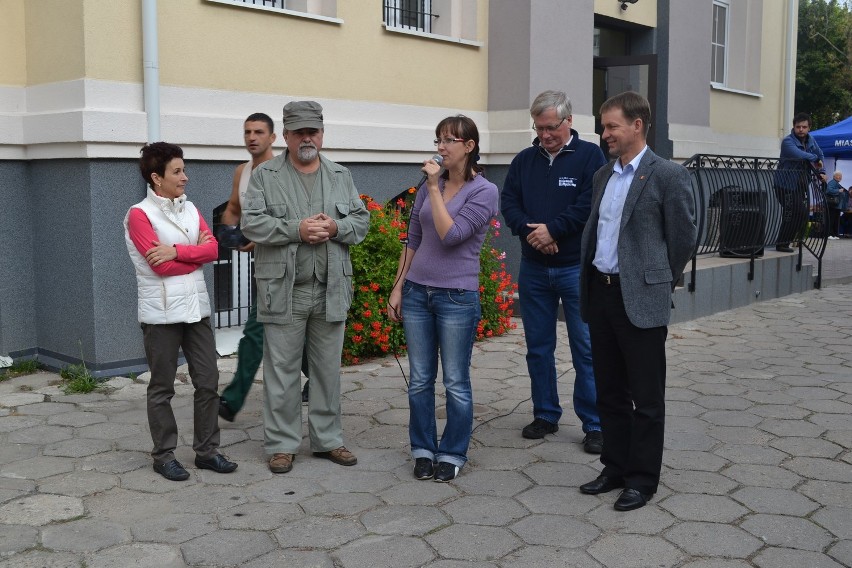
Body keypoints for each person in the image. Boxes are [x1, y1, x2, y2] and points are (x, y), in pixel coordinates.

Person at [578, 91, 696, 511]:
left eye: (611, 126)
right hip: (602, 293)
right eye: (603, 125)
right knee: (609, 391)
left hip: (640, 299)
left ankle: (642, 480)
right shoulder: (602, 176)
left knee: (645, 397)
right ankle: (615, 466)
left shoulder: (666, 175)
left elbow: (683, 238)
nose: (604, 133)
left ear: (637, 126)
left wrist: (659, 279)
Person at [241, 101, 370, 474]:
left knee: (327, 370)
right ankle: (282, 444)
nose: (307, 138)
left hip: (330, 286)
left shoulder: (340, 175)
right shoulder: (266, 175)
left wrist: (336, 228)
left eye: (313, 130)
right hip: (284, 289)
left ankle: (328, 440)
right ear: (286, 136)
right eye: (299, 132)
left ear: (322, 134)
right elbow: (252, 224)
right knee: (281, 371)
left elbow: (360, 222)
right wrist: (296, 229)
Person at [387, 116, 498, 483]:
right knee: (419, 379)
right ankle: (422, 449)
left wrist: (435, 187)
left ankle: (452, 452)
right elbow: (413, 240)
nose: (441, 147)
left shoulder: (484, 191)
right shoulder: (425, 188)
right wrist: (398, 287)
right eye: (438, 139)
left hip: (456, 297)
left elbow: (452, 235)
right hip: (418, 292)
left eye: (450, 140)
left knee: (454, 381)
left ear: (469, 146)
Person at [124, 142, 238, 481]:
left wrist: (174, 250)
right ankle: (164, 455)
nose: (185, 177)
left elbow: (214, 248)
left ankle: (206, 451)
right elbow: (157, 268)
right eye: (177, 171)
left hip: (196, 310)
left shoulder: (191, 209)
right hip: (160, 315)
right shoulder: (139, 214)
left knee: (208, 380)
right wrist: (193, 256)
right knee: (162, 387)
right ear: (157, 178)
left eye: (184, 170)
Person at [501, 90, 607, 453]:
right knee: (538, 348)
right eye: (539, 128)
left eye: (551, 128)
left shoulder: (591, 156)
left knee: (586, 348)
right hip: (534, 268)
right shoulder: (525, 160)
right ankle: (545, 413)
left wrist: (553, 230)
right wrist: (533, 234)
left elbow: (589, 205)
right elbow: (509, 202)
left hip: (576, 269)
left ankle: (594, 423)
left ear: (569, 121)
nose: (544, 135)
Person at [217, 113, 310, 422]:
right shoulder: (242, 172)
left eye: (259, 132)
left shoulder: (285, 173)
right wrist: (227, 233)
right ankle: (320, 376)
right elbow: (233, 209)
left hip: (290, 265)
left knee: (256, 331)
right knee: (282, 331)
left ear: (273, 138)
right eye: (247, 132)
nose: (252, 137)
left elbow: (293, 221)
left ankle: (231, 400)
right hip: (264, 268)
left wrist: (256, 239)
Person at [775, 112, 826, 252]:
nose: (801, 130)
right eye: (798, 127)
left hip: (800, 185)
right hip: (784, 185)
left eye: (804, 127)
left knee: (794, 213)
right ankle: (782, 243)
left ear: (809, 127)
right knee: (797, 212)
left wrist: (822, 172)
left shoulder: (811, 140)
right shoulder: (788, 141)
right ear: (794, 127)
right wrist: (815, 158)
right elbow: (799, 155)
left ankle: (784, 242)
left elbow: (821, 154)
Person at [825, 171, 844, 240]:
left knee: (835, 220)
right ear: (834, 176)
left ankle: (834, 234)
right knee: (831, 220)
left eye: (840, 176)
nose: (840, 177)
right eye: (838, 175)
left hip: (837, 205)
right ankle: (829, 234)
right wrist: (838, 191)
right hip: (833, 205)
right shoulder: (832, 182)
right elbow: (829, 190)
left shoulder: (836, 183)